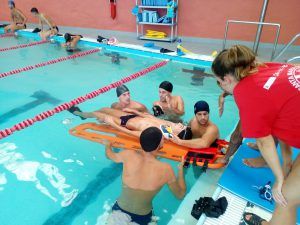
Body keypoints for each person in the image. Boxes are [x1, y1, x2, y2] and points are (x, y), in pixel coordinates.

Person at [212, 45, 300, 221]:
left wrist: (279, 178)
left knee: (284, 197)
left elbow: (264, 141)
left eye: (218, 82)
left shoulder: (247, 94)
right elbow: (284, 112)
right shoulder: (263, 67)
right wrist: (287, 162)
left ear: (227, 78)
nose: (220, 87)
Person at [105, 127, 186, 225]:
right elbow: (180, 195)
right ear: (159, 145)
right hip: (142, 217)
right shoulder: (165, 169)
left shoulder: (128, 155)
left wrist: (107, 145)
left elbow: (109, 155)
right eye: (162, 139)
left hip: (119, 211)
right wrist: (181, 169)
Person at [69, 106, 192, 140]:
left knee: (99, 114)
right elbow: (150, 117)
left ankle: (79, 114)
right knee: (104, 109)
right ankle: (85, 115)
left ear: (176, 135)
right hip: (132, 116)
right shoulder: (169, 126)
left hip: (123, 123)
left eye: (182, 128)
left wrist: (112, 123)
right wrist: (134, 111)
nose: (182, 125)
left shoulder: (161, 134)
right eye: (184, 126)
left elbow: (131, 134)